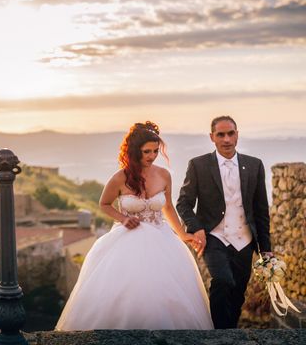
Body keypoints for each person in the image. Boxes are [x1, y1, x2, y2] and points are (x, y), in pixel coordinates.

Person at [56, 121, 213, 330]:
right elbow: (104, 204)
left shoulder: (164, 175)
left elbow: (167, 207)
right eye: (146, 151)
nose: (152, 155)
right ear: (134, 151)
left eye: (156, 151)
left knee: (165, 293)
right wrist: (122, 218)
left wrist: (183, 234)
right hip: (127, 240)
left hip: (162, 239)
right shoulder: (120, 178)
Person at [176, 116, 271, 329]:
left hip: (244, 239)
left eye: (231, 133)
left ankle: (229, 332)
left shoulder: (254, 165)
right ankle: (218, 333)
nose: (226, 139)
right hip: (213, 237)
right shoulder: (198, 165)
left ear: (237, 135)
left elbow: (261, 211)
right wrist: (197, 228)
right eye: (221, 134)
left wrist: (266, 250)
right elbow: (183, 203)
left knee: (238, 292)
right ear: (212, 137)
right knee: (223, 281)